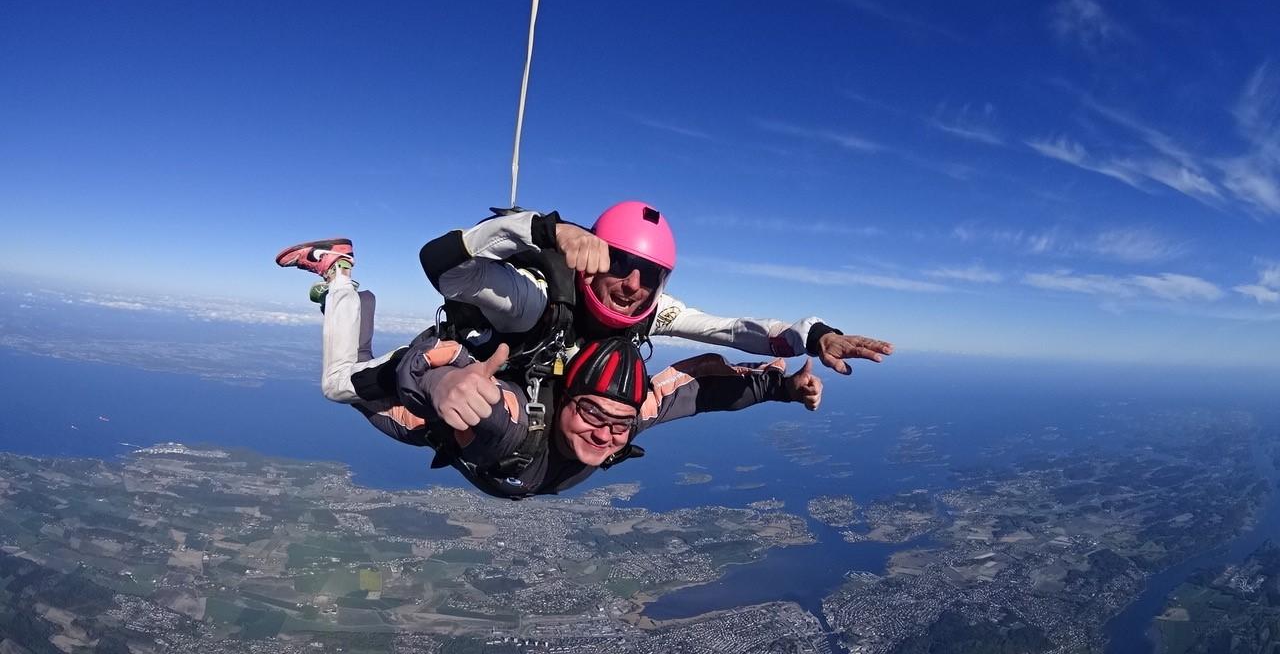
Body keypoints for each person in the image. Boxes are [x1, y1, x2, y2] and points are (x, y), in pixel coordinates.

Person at [275, 240, 823, 500]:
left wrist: (782, 383)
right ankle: (340, 273)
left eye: (618, 424)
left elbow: (695, 385)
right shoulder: (512, 418)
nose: (606, 435)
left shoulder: (625, 418)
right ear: (566, 400)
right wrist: (439, 380)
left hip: (477, 386)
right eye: (592, 414)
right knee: (337, 385)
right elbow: (452, 377)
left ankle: (345, 286)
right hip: (424, 405)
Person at [419, 202, 893, 382]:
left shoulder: (652, 310)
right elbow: (444, 267)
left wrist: (816, 336)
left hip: (563, 418)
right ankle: (341, 276)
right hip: (481, 393)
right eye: (620, 264)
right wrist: (544, 231)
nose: (633, 285)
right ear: (594, 255)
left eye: (651, 274)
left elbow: (733, 331)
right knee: (340, 385)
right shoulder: (536, 299)